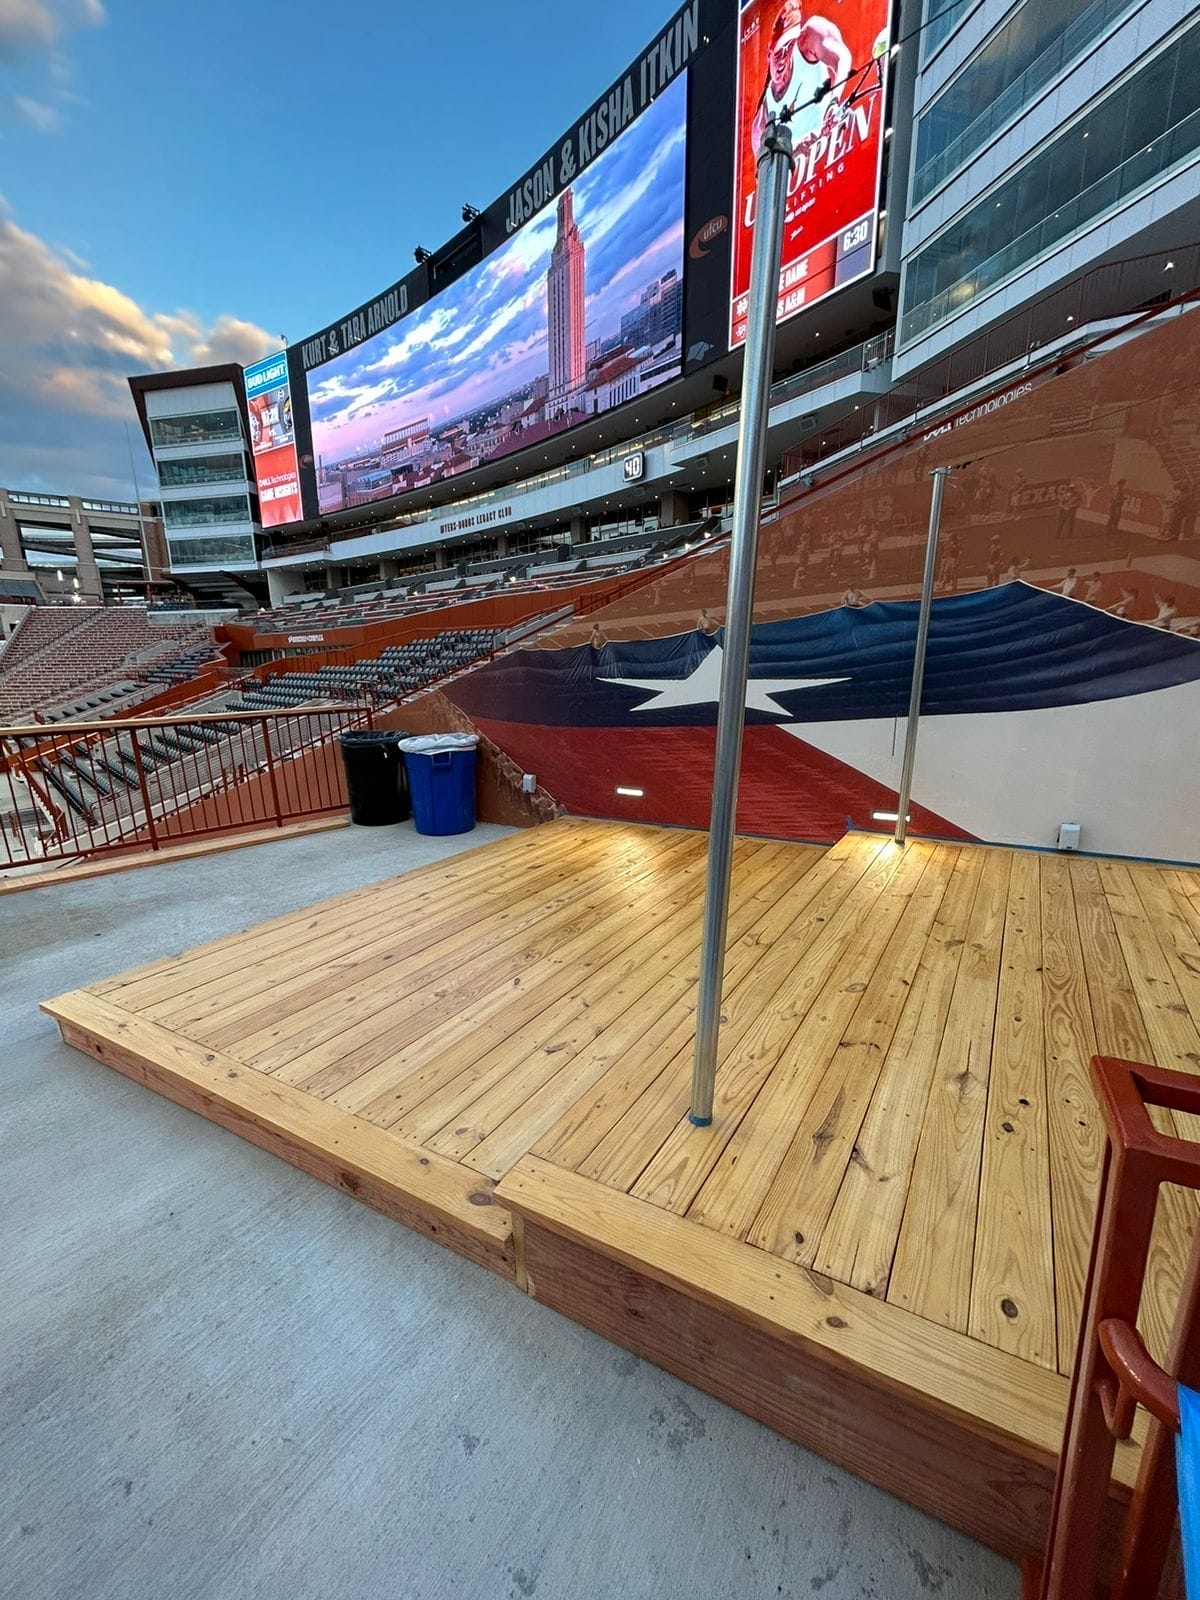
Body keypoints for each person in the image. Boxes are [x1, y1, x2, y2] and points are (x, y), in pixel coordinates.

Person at [751, 2, 852, 159]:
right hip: (806, 170)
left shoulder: (809, 38)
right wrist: (794, 150)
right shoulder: (761, 124)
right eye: (778, 52)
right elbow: (766, 169)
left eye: (789, 46)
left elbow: (843, 57)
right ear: (768, 55)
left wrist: (833, 103)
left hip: (837, 150)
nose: (783, 59)